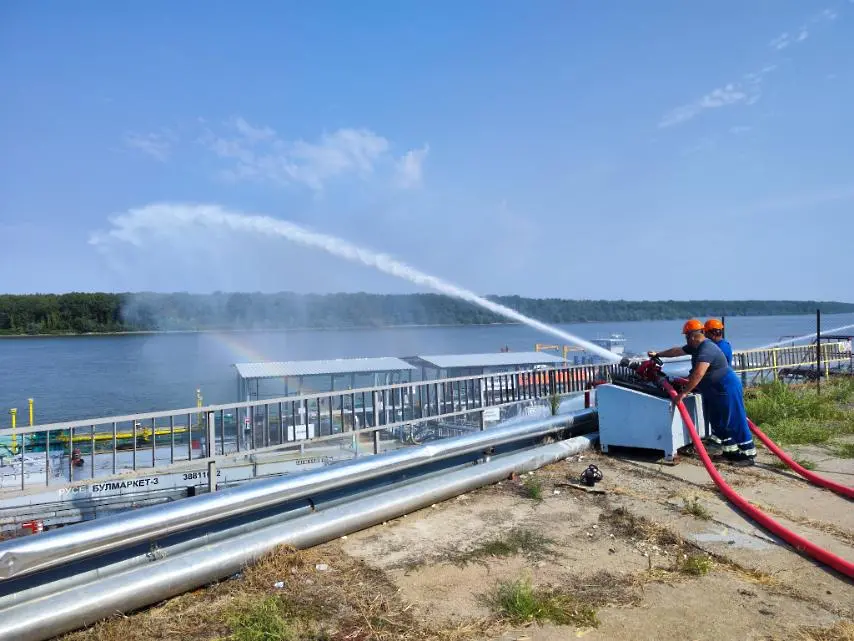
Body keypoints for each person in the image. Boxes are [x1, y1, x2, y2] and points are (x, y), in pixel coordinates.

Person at [648, 319, 756, 467]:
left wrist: (684, 393)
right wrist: (658, 354)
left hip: (726, 387)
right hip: (713, 390)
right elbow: (677, 351)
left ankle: (748, 454)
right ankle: (730, 452)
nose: (685, 340)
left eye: (686, 336)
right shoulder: (696, 346)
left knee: (734, 419)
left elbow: (698, 374)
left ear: (691, 336)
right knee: (718, 421)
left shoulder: (706, 349)